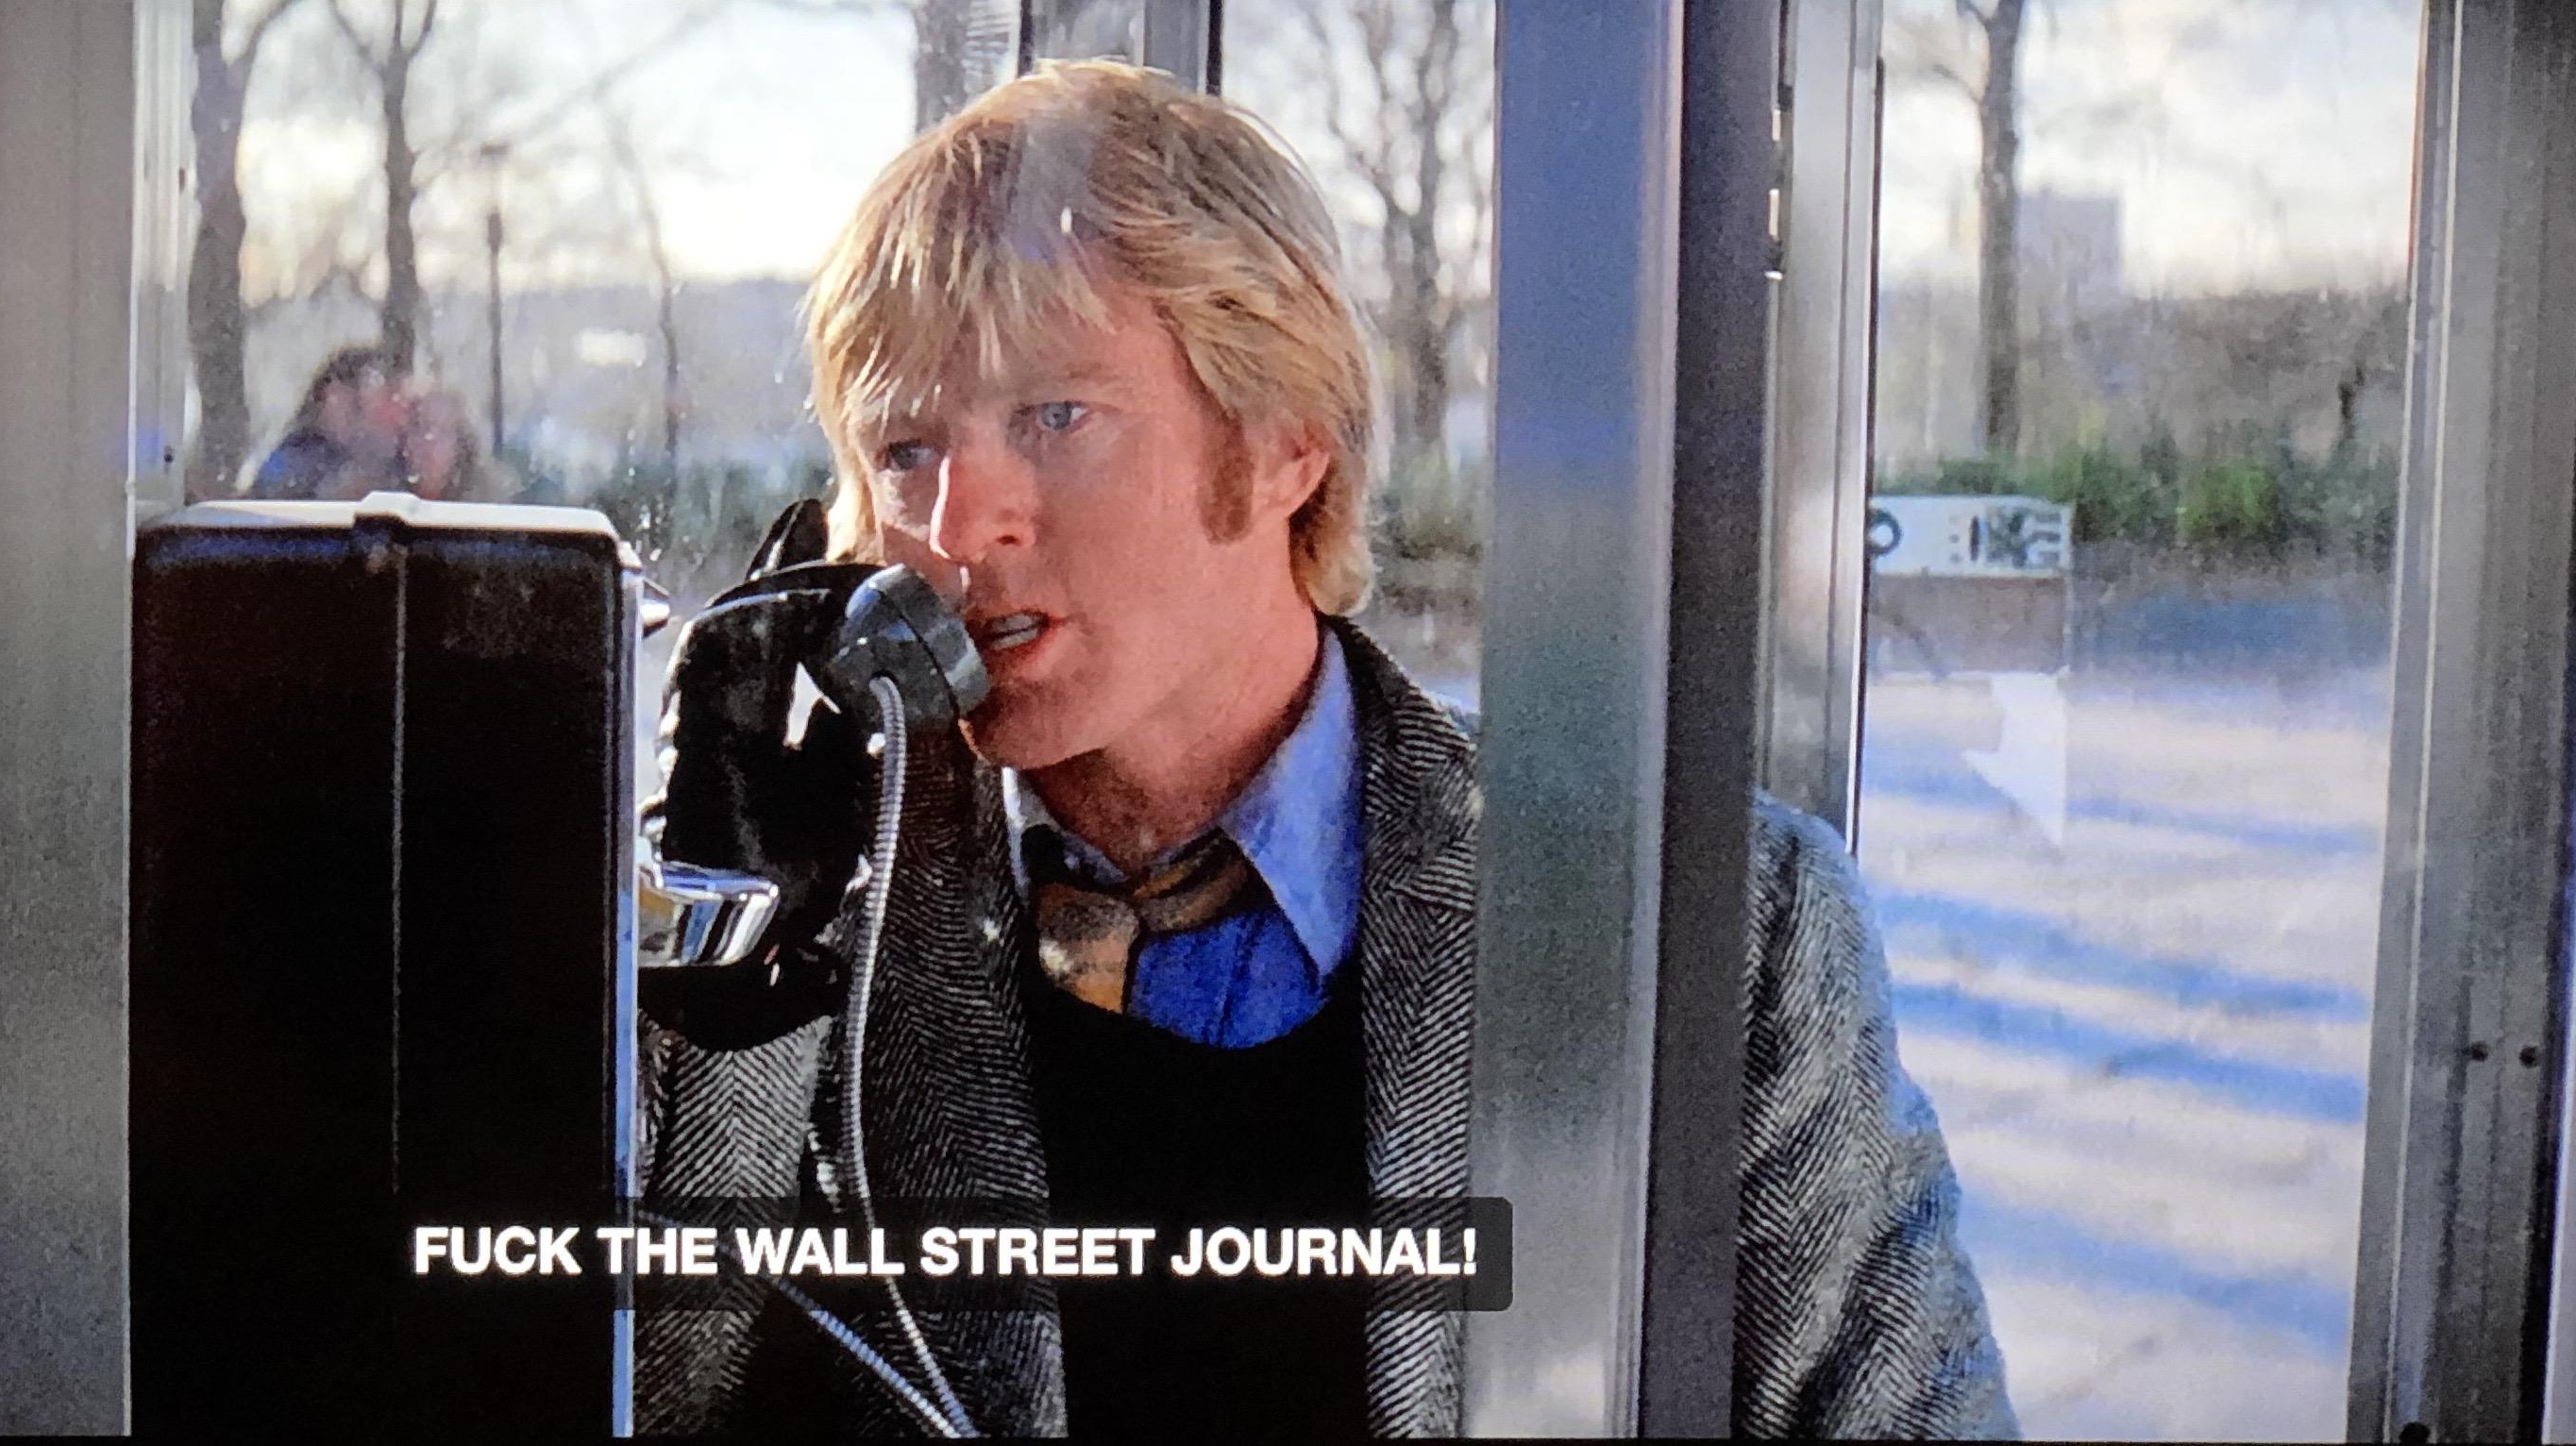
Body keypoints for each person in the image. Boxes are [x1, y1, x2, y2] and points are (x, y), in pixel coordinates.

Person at [637, 61, 2014, 1438]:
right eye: (902, 447)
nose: (954, 523)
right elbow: (637, 1385)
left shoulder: (1715, 929)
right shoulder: (825, 935)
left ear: (1281, 441)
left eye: (1055, 417)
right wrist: (716, 965)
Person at [248, 345, 405, 501]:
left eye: (360, 409)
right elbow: (270, 500)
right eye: (356, 407)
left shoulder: (397, 460)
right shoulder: (298, 456)